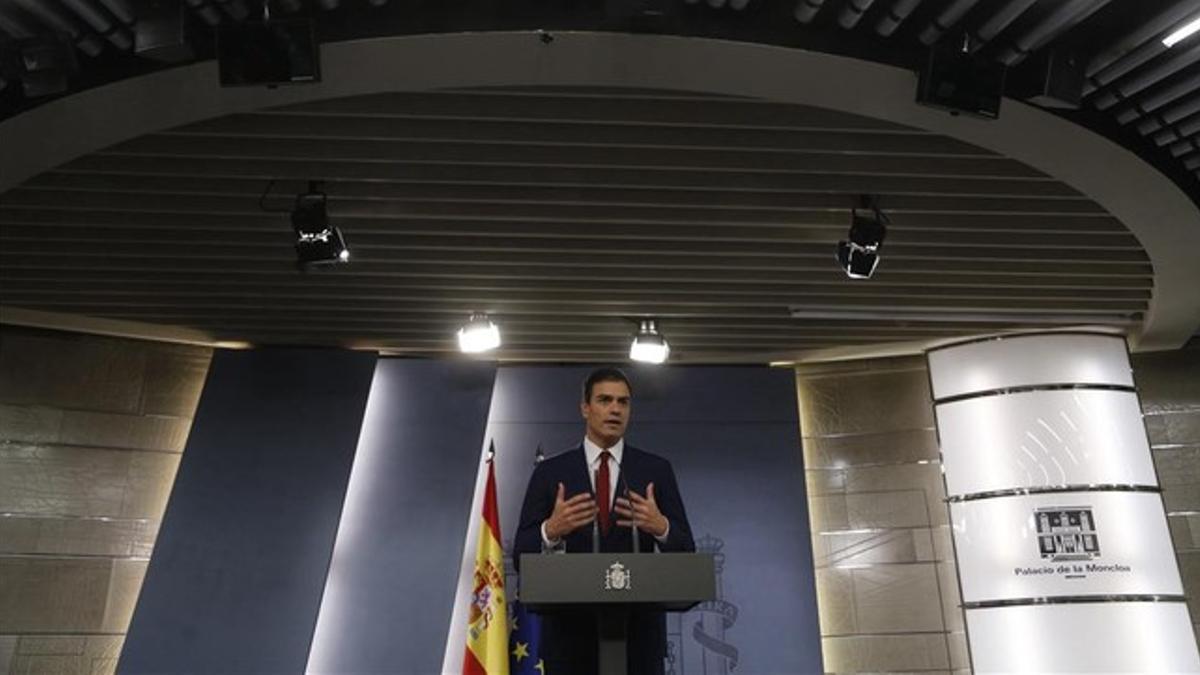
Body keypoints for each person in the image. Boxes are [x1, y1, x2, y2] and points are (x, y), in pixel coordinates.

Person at [514, 367, 695, 675]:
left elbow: (686, 551)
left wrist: (661, 527)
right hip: (569, 639)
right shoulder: (550, 473)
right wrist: (550, 531)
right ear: (585, 408)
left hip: (639, 639)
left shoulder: (655, 470)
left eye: (623, 402)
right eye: (605, 400)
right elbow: (520, 553)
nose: (615, 409)